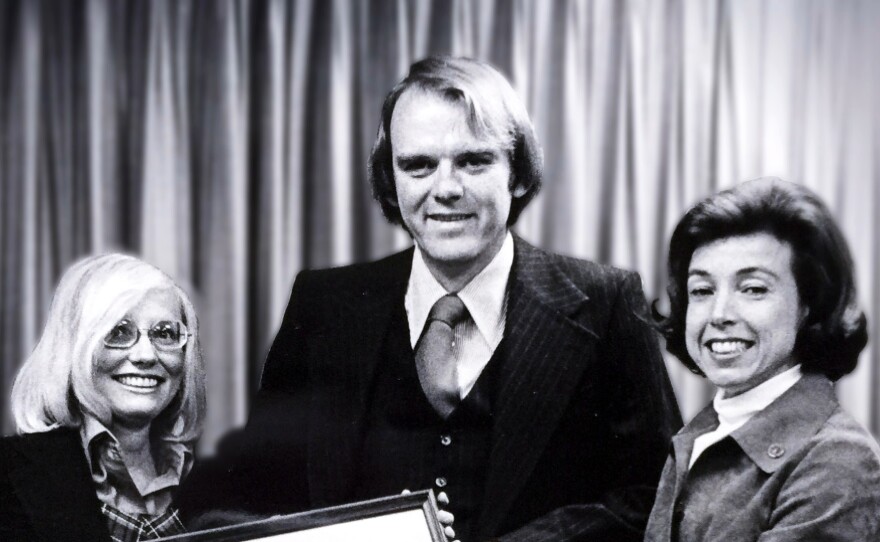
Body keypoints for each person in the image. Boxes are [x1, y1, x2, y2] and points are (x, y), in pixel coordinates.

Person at [178, 56, 681, 541]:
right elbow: (259, 480)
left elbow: (657, 491)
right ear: (391, 184)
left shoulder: (606, 301)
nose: (446, 188)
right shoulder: (324, 305)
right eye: (418, 165)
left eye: (473, 160)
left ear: (518, 173)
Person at [646, 177, 880, 541]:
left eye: (753, 288)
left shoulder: (838, 459)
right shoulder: (704, 432)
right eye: (702, 290)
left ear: (809, 305)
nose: (719, 314)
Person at [0, 253, 206, 541]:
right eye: (119, 331)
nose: (146, 355)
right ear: (72, 347)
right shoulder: (9, 477)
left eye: (165, 333)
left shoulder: (210, 478)